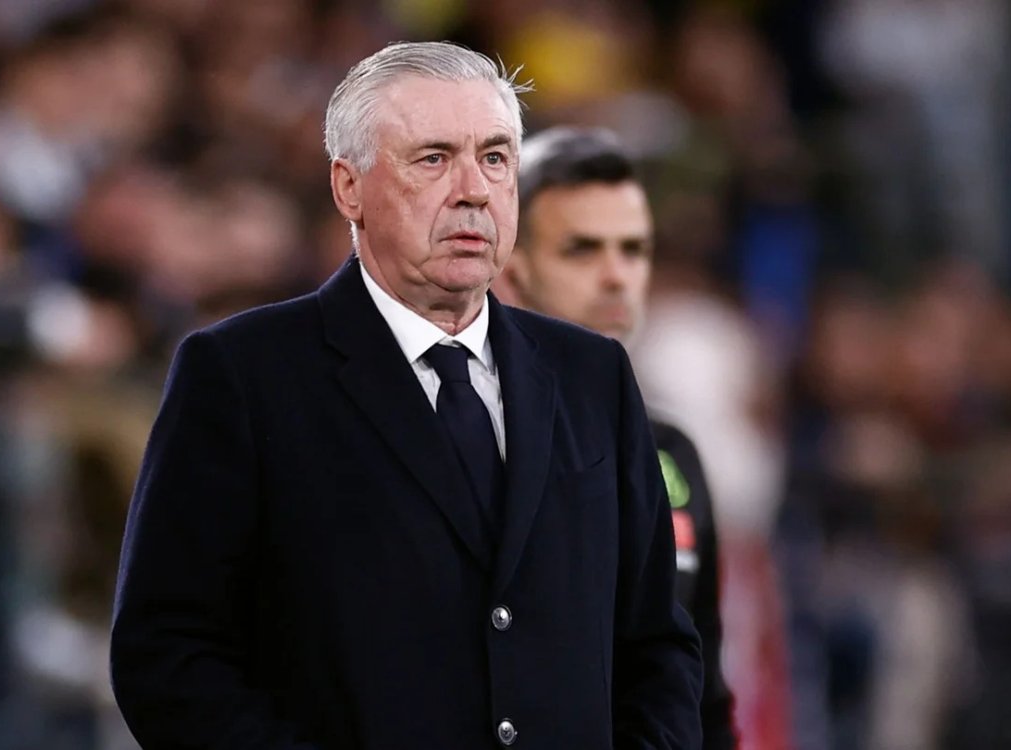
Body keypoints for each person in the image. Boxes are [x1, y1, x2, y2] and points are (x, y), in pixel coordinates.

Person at [110, 42, 702, 750]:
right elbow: (167, 653)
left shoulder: (593, 374)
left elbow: (657, 643)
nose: (473, 190)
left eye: (495, 158)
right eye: (433, 158)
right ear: (348, 188)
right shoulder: (242, 373)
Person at [497, 126, 735, 748]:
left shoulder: (671, 455)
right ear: (511, 270)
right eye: (581, 250)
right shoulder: (465, 438)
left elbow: (701, 691)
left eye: (633, 250)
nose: (615, 277)